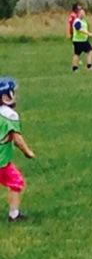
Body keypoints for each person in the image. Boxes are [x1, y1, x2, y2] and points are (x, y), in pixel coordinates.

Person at [0, 78, 36, 222]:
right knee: (16, 182)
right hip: (1, 160)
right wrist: (27, 152)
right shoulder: (9, 114)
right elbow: (17, 138)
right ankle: (14, 215)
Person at [71, 7, 92, 72]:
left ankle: (89, 66)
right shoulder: (77, 21)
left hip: (84, 41)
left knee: (90, 51)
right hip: (78, 41)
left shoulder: (83, 21)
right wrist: (89, 34)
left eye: (84, 13)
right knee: (77, 54)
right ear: (78, 14)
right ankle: (75, 68)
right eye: (81, 13)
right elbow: (79, 29)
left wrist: (87, 35)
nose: (83, 14)